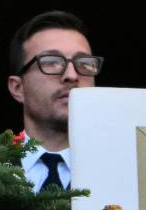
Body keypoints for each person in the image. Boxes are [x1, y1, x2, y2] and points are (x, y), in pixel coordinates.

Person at [6, 10, 102, 192]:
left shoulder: (123, 168)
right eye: (51, 62)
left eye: (84, 63)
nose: (72, 75)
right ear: (18, 88)